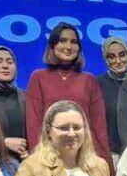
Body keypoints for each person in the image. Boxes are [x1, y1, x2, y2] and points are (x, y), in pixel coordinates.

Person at [24, 23, 115, 167]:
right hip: (49, 158)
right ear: (53, 45)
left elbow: (99, 128)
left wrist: (106, 164)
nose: (68, 46)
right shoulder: (38, 78)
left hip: (83, 158)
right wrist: (38, 160)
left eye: (74, 42)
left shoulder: (89, 80)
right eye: (62, 40)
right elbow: (34, 124)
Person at [99, 36, 127, 159]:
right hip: (109, 153)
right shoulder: (97, 84)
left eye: (122, 55)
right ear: (105, 59)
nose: (118, 61)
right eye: (111, 57)